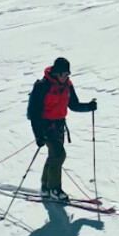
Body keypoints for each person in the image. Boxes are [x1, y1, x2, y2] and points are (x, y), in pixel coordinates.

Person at [26, 57, 97, 202]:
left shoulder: (67, 85)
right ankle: (54, 189)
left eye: (67, 74)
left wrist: (88, 107)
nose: (65, 77)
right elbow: (33, 113)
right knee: (59, 155)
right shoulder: (42, 86)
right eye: (62, 74)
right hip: (45, 127)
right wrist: (38, 135)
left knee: (53, 156)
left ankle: (46, 187)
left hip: (59, 126)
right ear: (55, 72)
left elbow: (74, 105)